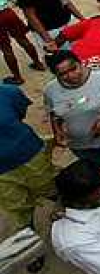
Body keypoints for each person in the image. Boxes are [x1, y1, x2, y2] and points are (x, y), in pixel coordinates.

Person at [44, 50, 100, 166]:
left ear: (80, 63)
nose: (71, 75)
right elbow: (54, 112)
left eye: (73, 69)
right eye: (63, 74)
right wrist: (57, 131)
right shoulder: (50, 90)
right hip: (79, 146)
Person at [0, 84, 56, 232]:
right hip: (3, 173)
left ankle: (76, 216)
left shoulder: (7, 92)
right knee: (19, 211)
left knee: (51, 187)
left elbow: (19, 113)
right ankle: (31, 243)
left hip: (30, 155)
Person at [0, 0, 45, 85]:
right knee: (23, 39)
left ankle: (17, 77)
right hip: (8, 13)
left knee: (6, 48)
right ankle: (38, 63)